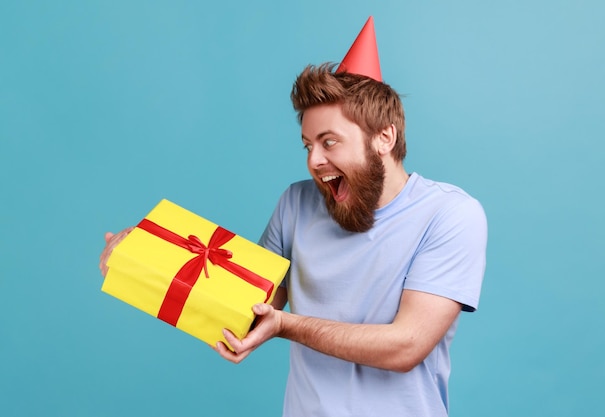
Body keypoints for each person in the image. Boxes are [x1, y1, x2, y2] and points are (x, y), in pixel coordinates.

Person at [100, 17, 487, 417]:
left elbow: (406, 346)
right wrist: (138, 257)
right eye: (307, 145)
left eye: (329, 142)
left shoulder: (450, 215)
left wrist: (287, 326)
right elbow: (246, 308)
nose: (314, 161)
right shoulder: (297, 204)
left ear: (384, 138)